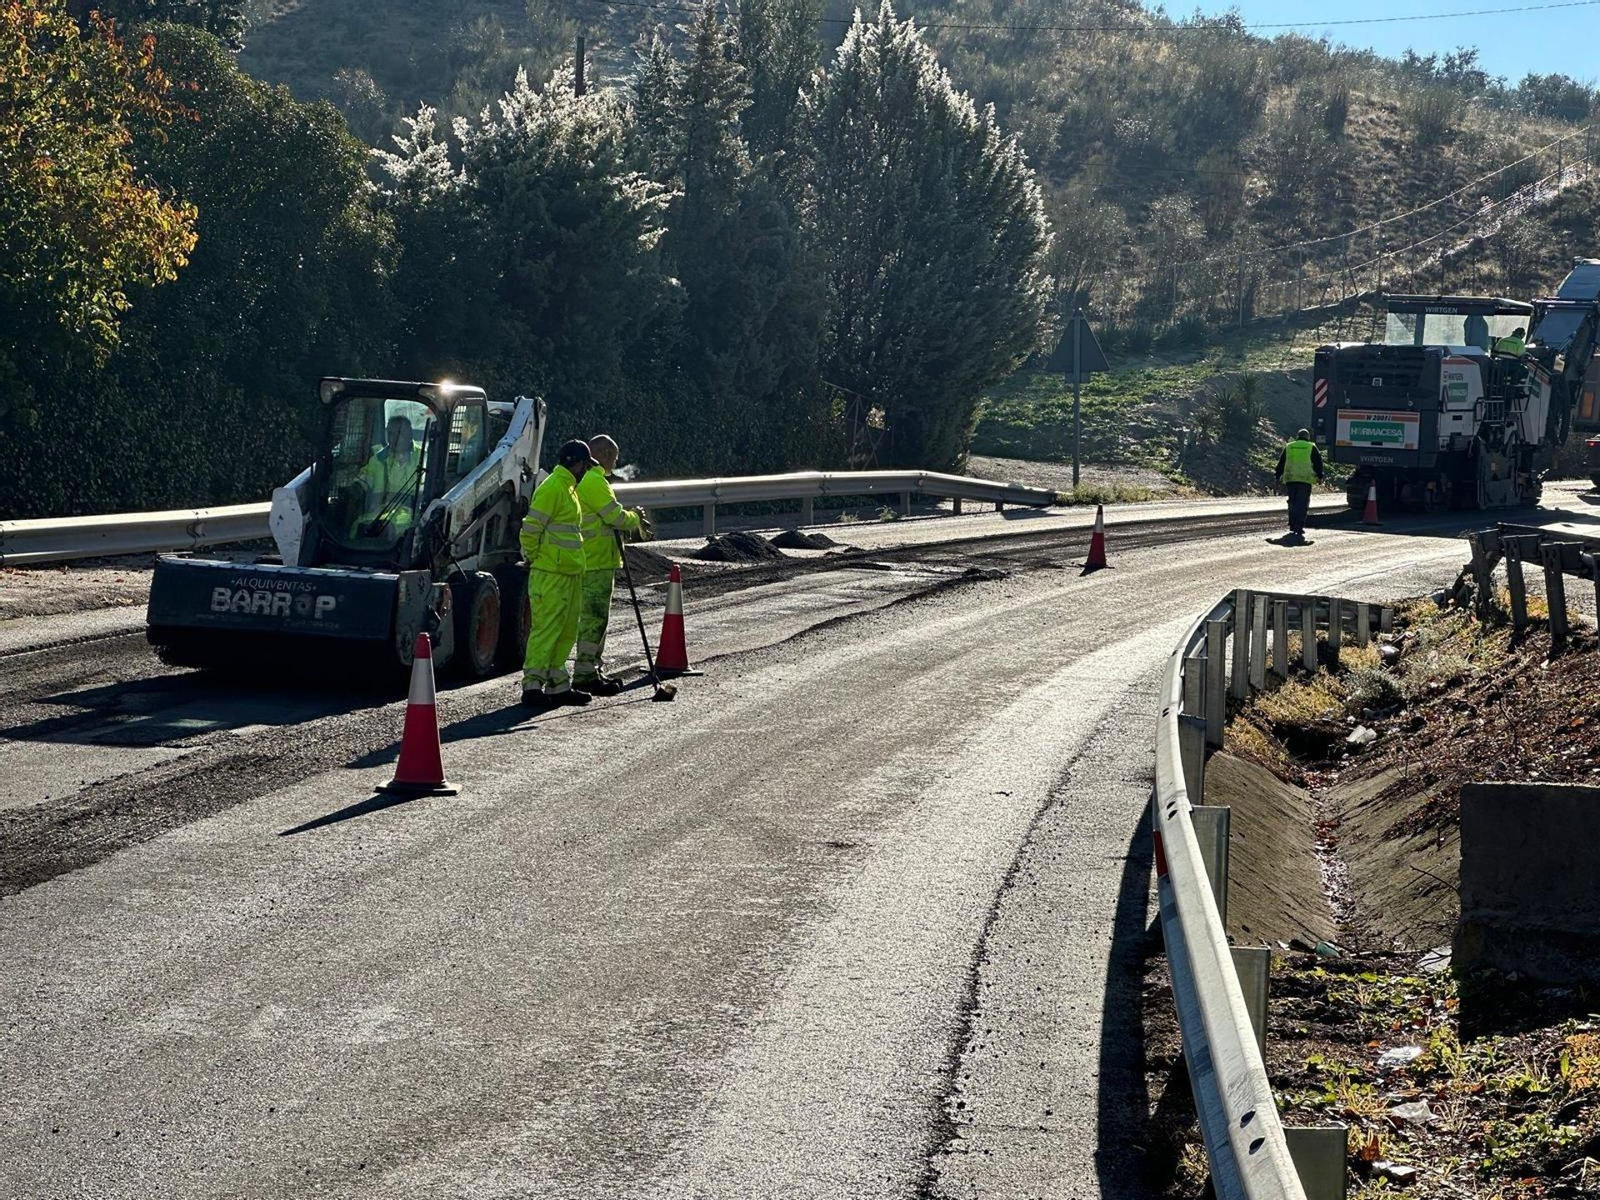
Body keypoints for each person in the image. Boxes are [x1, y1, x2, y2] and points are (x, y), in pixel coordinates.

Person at [574, 433, 652, 695]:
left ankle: (593, 669)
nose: (615, 463)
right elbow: (615, 516)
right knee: (595, 618)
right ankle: (586, 673)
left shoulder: (585, 479)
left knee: (595, 618)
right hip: (596, 561)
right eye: (614, 458)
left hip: (592, 559)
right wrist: (635, 518)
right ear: (605, 454)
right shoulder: (595, 481)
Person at [520, 440, 594, 708]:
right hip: (551, 573)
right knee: (547, 629)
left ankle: (557, 685)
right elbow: (530, 529)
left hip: (568, 572)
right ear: (577, 463)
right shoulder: (553, 488)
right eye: (585, 465)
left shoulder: (568, 488)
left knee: (566, 631)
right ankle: (532, 686)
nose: (586, 470)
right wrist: (534, 558)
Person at [354, 415, 420, 538]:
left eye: (399, 433)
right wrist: (355, 487)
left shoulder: (423, 459)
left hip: (411, 519)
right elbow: (362, 481)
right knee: (359, 528)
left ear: (410, 434)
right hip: (377, 515)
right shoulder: (377, 460)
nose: (394, 439)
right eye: (390, 434)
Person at [1274, 428, 1324, 544]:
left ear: (1297, 436)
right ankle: (1299, 526)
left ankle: (1292, 524)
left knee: (1292, 502)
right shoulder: (1311, 447)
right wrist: (1320, 476)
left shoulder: (1289, 446)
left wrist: (1277, 477)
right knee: (1302, 504)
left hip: (1291, 479)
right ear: (1307, 437)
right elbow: (1318, 463)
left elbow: (1281, 463)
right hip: (1305, 480)